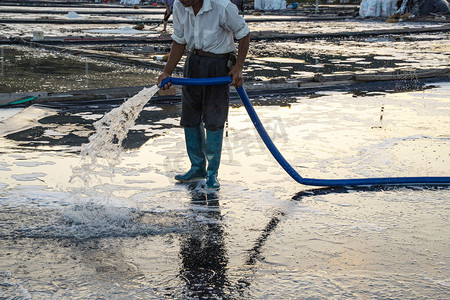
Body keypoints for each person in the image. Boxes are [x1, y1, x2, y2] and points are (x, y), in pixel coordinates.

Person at [158, 0, 250, 190]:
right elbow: (179, 40)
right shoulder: (180, 6)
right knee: (190, 116)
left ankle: (212, 173)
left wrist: (238, 67)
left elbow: (244, 34)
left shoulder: (222, 6)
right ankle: (197, 167)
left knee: (214, 118)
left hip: (218, 65)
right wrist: (167, 71)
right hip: (193, 63)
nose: (182, 1)